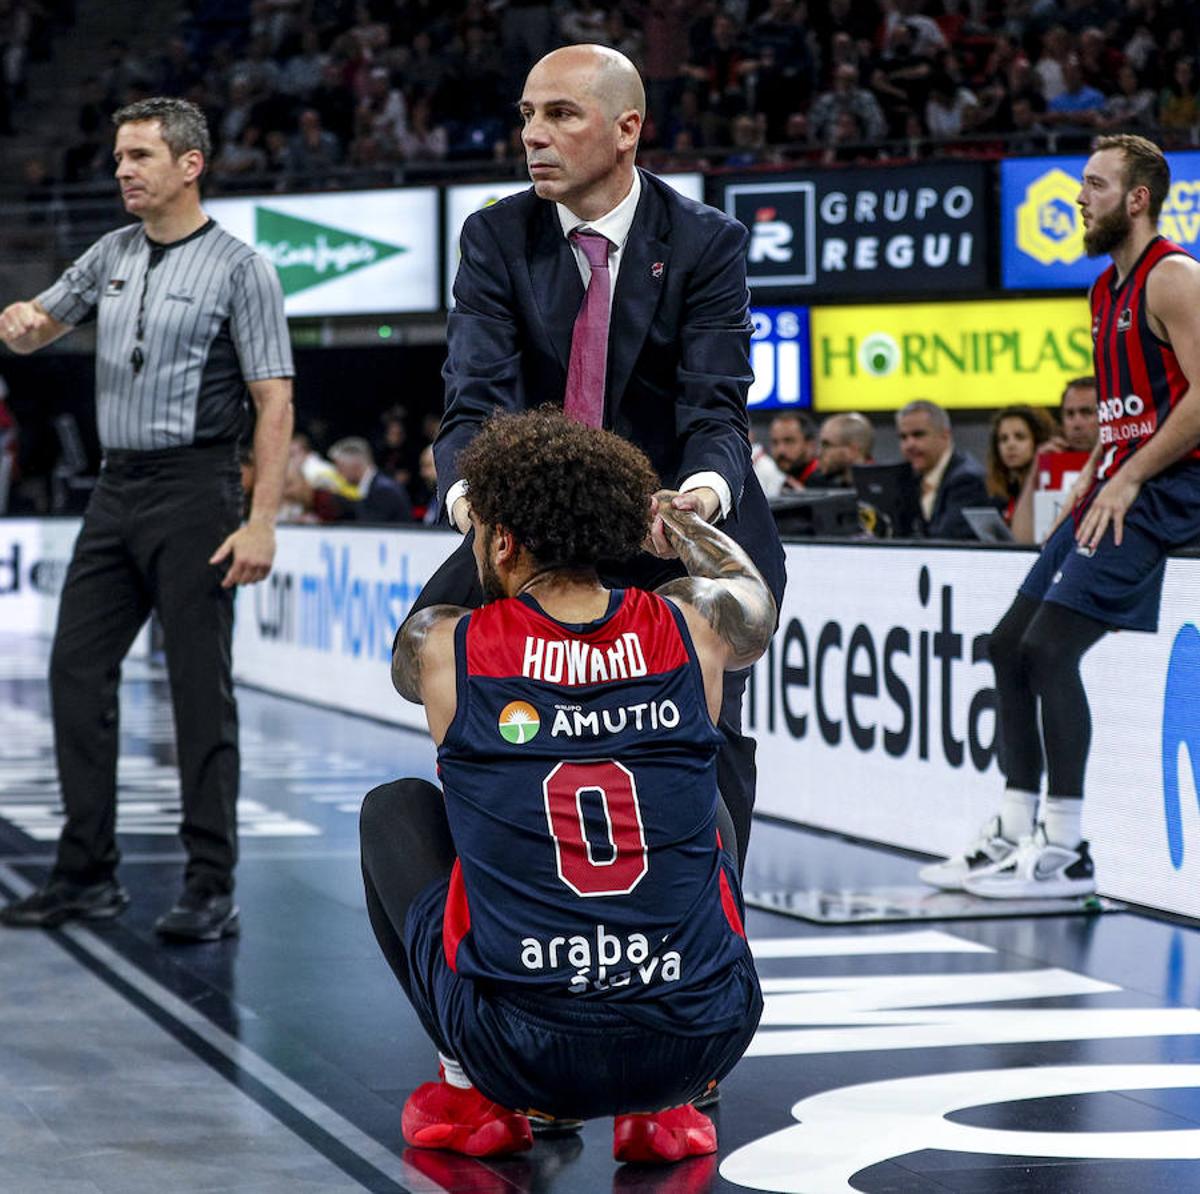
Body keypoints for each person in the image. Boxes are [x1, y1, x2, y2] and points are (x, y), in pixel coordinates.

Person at [361, 409, 771, 1164]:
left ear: (504, 539)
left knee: (397, 809)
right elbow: (753, 593)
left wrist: (487, 525)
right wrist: (675, 524)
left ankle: (468, 1092)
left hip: (523, 1051)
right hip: (700, 1033)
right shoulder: (693, 624)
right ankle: (672, 1107)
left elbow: (419, 628)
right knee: (709, 797)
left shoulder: (444, 647)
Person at [417, 43, 786, 873]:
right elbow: (473, 396)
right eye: (525, 115)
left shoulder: (705, 242)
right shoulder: (495, 235)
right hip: (540, 522)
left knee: (705, 733)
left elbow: (716, 407)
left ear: (627, 129)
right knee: (423, 646)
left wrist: (699, 500)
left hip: (666, 519)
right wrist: (474, 495)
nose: (532, 136)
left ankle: (716, 923)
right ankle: (506, 905)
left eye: (559, 114)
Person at [0, 97, 294, 940]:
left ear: (189, 165)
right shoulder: (111, 253)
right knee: (74, 672)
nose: (122, 170)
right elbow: (37, 326)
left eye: (139, 157)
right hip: (115, 488)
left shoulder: (243, 268)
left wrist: (262, 519)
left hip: (198, 488)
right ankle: (86, 872)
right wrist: (22, 326)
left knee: (201, 693)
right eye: (120, 157)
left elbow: (274, 401)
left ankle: (211, 883)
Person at [921, 134, 1200, 898]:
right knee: (1007, 644)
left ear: (1137, 199)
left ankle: (1067, 850)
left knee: (1048, 652)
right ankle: (1014, 831)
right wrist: (1089, 475)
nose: (1080, 198)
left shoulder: (1174, 277)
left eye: (1096, 186)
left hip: (1172, 488)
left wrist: (1128, 476)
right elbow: (1127, 411)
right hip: (1122, 480)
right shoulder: (1103, 289)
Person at [895, 399, 989, 539]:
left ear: (945, 435)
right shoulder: (907, 479)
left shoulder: (968, 480)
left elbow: (946, 540)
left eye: (918, 435)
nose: (909, 445)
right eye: (903, 437)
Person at [984, 404, 1055, 526]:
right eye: (1003, 439)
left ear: (1038, 441)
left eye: (1020, 437)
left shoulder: (1049, 489)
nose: (1010, 445)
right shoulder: (1002, 495)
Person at [329, 436, 412, 523]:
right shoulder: (372, 487)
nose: (338, 473)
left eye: (340, 467)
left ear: (355, 465)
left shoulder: (383, 490)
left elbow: (369, 526)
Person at [806, 411, 873, 488]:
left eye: (826, 445)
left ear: (853, 451)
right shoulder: (817, 485)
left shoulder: (885, 492)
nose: (818, 453)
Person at [767, 410, 820, 490]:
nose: (780, 450)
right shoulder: (788, 484)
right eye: (775, 442)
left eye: (789, 441)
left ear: (810, 445)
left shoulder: (824, 485)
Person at [1058, 376, 1100, 453]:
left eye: (1086, 413)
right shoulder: (1049, 457)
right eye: (1070, 414)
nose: (1077, 425)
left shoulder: (1126, 461)